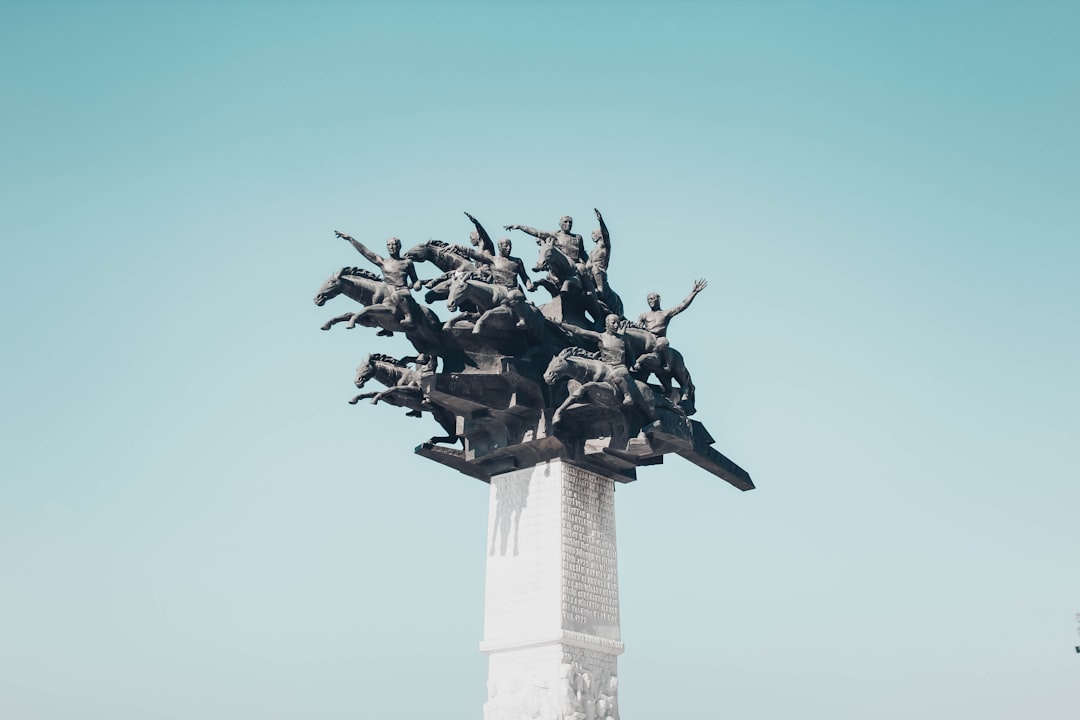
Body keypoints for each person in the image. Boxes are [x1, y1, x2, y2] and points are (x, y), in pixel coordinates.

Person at [558, 314, 654, 419]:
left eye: (618, 322)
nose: (616, 325)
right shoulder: (601, 337)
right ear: (607, 323)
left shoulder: (623, 338)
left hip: (619, 366)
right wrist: (559, 324)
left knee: (618, 374)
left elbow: (630, 352)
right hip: (605, 365)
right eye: (613, 322)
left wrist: (634, 363)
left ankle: (627, 395)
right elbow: (579, 331)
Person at [335, 231, 423, 334]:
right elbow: (366, 252)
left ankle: (409, 317)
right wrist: (351, 239)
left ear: (399, 246)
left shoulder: (407, 262)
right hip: (387, 290)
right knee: (375, 298)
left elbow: (415, 279)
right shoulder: (383, 262)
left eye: (394, 244)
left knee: (399, 295)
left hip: (401, 290)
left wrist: (417, 284)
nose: (391, 247)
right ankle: (386, 327)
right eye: (389, 245)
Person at [634, 279, 707, 371]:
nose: (650, 301)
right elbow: (637, 327)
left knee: (663, 342)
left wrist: (694, 292)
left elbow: (682, 305)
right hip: (648, 337)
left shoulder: (665, 313)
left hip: (659, 338)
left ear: (659, 299)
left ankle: (667, 365)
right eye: (648, 299)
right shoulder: (644, 315)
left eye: (652, 299)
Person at [587, 207, 611, 294]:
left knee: (594, 267)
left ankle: (600, 289)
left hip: (600, 272)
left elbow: (606, 234)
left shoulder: (604, 245)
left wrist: (601, 221)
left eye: (593, 233)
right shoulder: (592, 251)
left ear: (599, 234)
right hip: (590, 273)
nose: (591, 236)